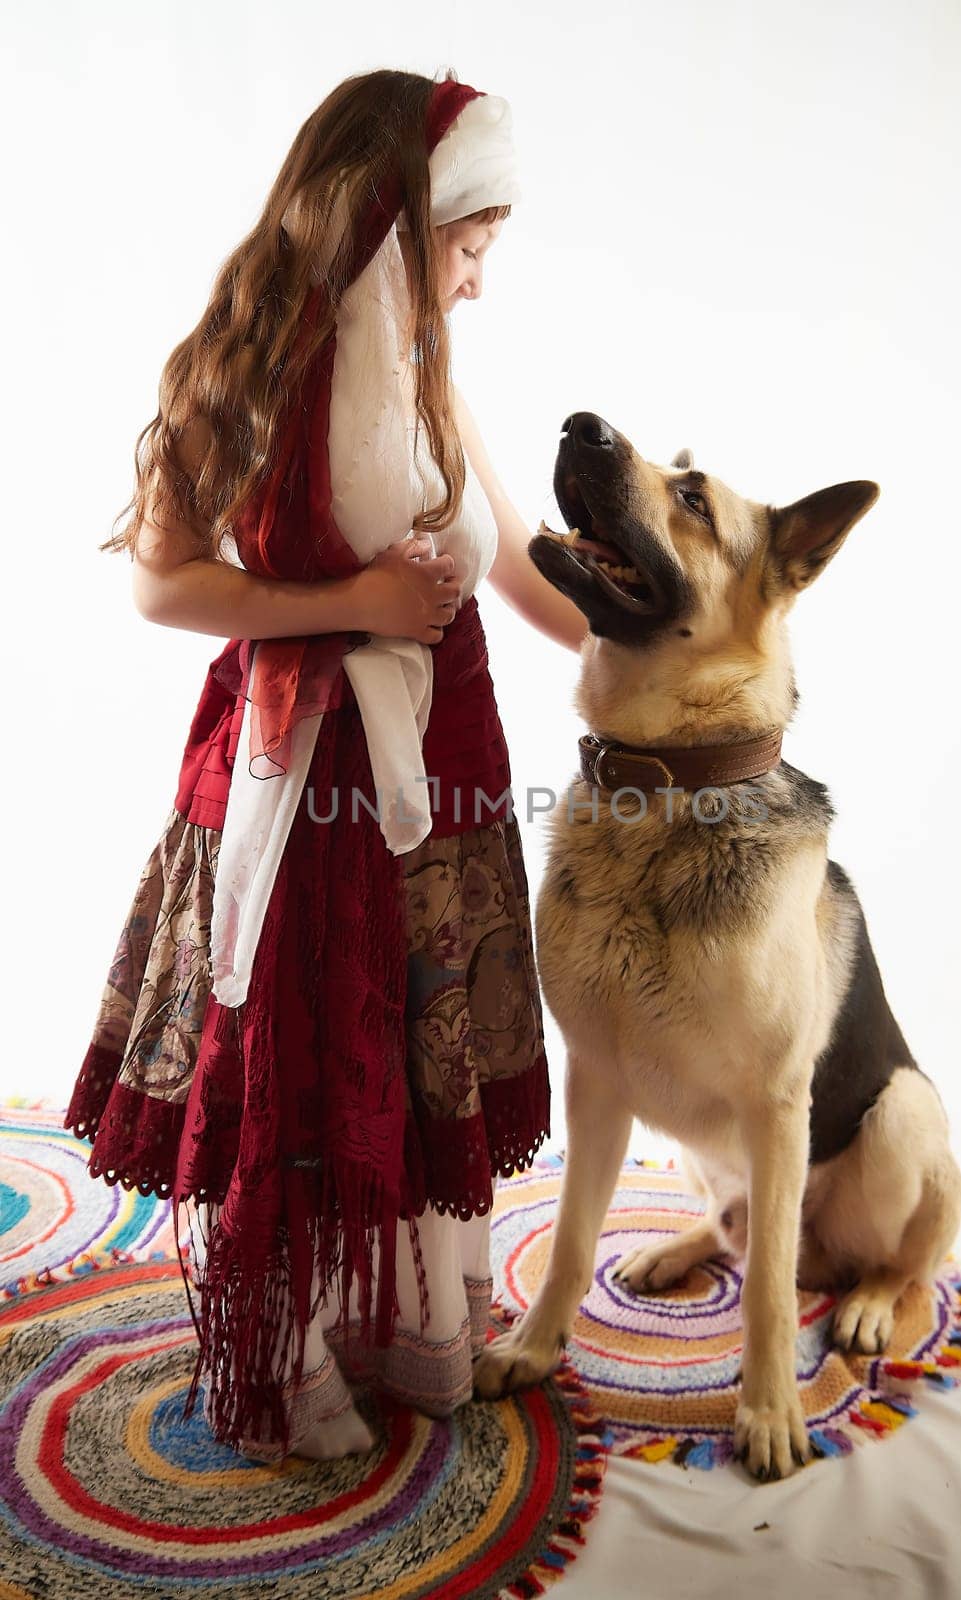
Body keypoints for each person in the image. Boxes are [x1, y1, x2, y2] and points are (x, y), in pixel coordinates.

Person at [65, 68, 588, 1463]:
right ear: (400, 225)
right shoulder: (253, 362)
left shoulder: (427, 366)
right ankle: (293, 1361)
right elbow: (165, 586)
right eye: (470, 247)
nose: (477, 283)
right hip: (300, 779)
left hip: (442, 768)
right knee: (310, 1052)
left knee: (418, 1055)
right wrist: (351, 602)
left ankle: (408, 1328)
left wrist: (673, 634)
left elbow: (521, 558)